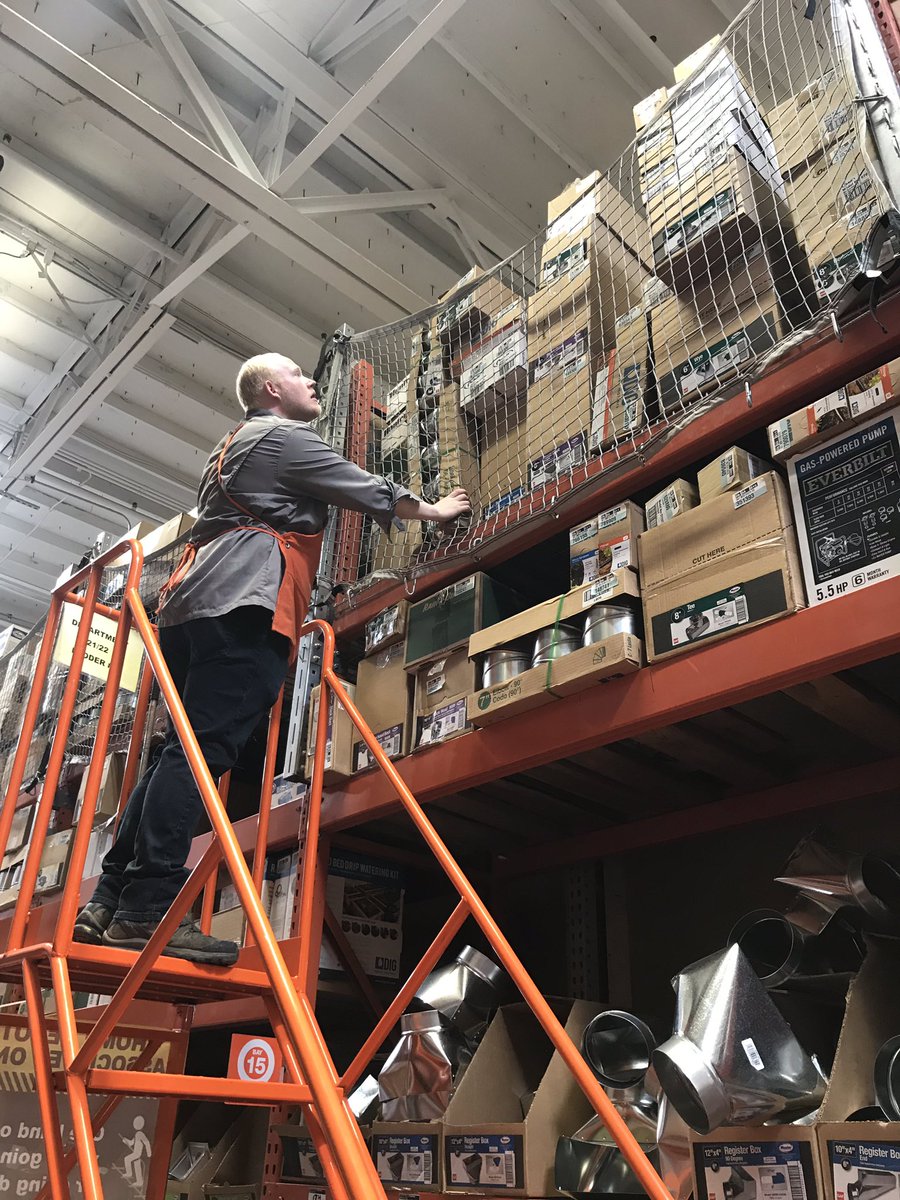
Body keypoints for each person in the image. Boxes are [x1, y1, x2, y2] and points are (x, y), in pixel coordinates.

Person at [73, 353, 471, 965]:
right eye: (298, 375)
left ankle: (109, 900)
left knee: (173, 754)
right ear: (270, 390)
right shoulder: (282, 437)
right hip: (243, 600)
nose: (312, 382)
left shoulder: (233, 445)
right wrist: (433, 510)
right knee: (200, 754)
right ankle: (147, 909)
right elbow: (357, 485)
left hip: (190, 609)